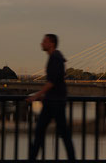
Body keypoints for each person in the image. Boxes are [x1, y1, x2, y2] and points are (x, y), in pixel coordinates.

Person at [27, 33, 76, 161]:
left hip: (55, 102)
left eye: (44, 41)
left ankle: (32, 157)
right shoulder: (55, 57)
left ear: (51, 44)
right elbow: (55, 81)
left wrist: (36, 95)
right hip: (53, 101)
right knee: (43, 132)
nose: (42, 43)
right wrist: (45, 96)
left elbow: (52, 82)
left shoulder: (55, 58)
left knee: (54, 133)